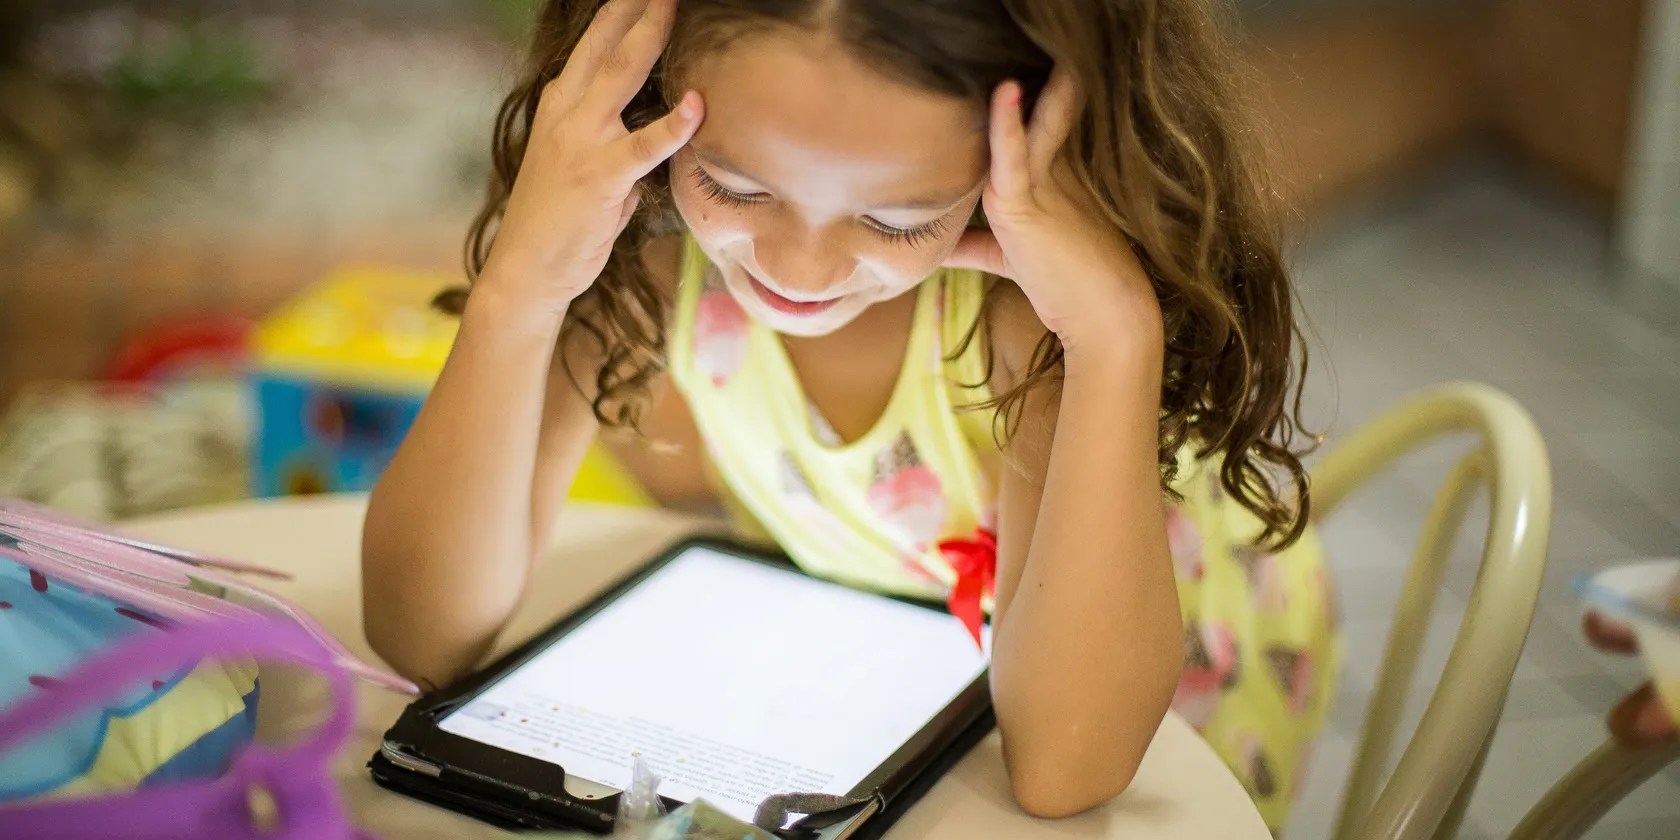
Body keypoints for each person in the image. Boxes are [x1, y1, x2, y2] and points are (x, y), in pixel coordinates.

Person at [362, 0, 1338, 826]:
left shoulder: (1026, 322)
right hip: (886, 662)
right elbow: (421, 634)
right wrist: (522, 284)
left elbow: (1066, 773)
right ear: (648, 104)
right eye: (733, 184)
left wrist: (1116, 334)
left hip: (1167, 709)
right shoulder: (652, 254)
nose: (798, 271)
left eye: (897, 218)